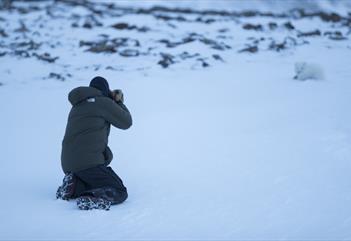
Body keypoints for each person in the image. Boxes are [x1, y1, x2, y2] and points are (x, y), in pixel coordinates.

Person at [56, 76, 133, 210]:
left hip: (68, 164)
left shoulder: (77, 107)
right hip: (89, 163)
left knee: (95, 181)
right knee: (119, 190)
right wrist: (118, 101)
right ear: (105, 90)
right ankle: (91, 198)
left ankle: (74, 185)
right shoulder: (102, 102)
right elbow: (126, 122)